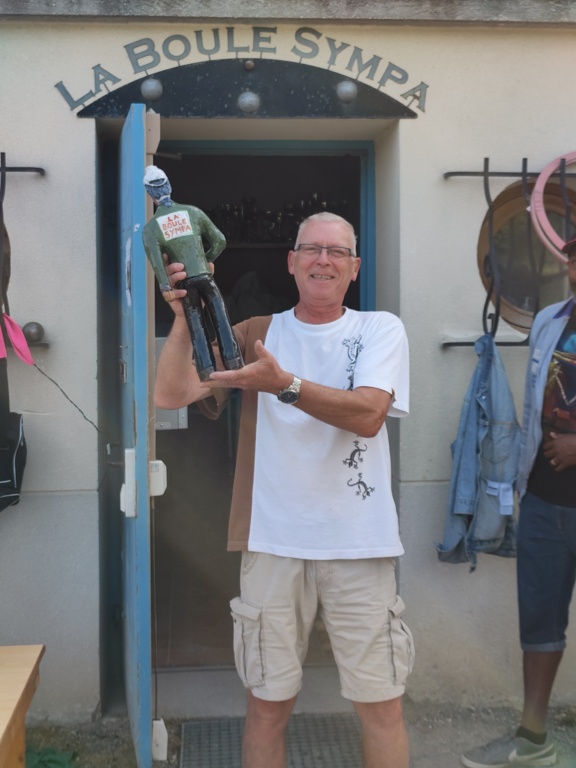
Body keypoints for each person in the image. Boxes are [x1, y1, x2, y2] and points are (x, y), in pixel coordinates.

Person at [154, 212, 413, 768]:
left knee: (382, 706)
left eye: (337, 252)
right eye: (311, 249)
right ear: (291, 262)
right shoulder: (256, 333)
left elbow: (369, 415)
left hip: (359, 546)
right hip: (271, 545)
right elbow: (172, 394)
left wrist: (284, 385)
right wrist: (182, 318)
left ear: (355, 267)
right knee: (267, 708)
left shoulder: (379, 329)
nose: (323, 260)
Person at [461, 239, 576, 768]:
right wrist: (519, 486)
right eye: (574, 256)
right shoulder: (552, 320)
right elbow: (534, 410)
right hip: (546, 501)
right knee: (540, 625)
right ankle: (533, 740)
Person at [142, 165, 243, 380]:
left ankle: (206, 368)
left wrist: (166, 287)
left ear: (149, 194)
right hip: (204, 275)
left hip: (185, 282)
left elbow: (157, 264)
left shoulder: (151, 229)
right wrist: (205, 260)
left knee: (196, 323)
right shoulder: (192, 212)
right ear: (169, 186)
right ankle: (233, 360)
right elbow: (220, 240)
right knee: (221, 317)